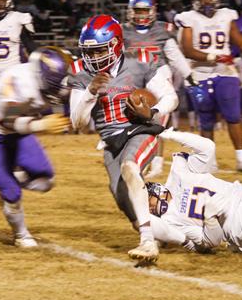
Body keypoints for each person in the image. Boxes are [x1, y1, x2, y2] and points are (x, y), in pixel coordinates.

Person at [69, 14, 178, 262]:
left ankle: (148, 242)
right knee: (120, 193)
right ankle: (173, 231)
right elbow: (77, 122)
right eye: (90, 52)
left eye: (99, 51)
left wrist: (152, 112)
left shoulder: (140, 62)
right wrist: (90, 91)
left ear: (116, 45)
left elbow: (171, 97)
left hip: (141, 129)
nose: (94, 58)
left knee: (130, 167)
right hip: (111, 139)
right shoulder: (81, 72)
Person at [0, 47, 71, 247]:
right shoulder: (19, 82)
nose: (59, 88)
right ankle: (21, 234)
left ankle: (13, 177)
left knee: (46, 181)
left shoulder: (48, 78)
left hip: (19, 129)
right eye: (55, 83)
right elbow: (7, 121)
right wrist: (41, 125)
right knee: (11, 194)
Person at [174, 0, 242, 175]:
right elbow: (187, 49)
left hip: (225, 73)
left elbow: (240, 40)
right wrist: (213, 57)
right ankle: (209, 162)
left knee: (233, 117)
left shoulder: (226, 15)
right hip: (199, 74)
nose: (208, 1)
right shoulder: (187, 18)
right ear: (195, 1)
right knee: (206, 120)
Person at [122, 0, 192, 178]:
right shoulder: (123, 31)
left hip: (158, 77)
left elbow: (174, 56)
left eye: (145, 11)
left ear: (153, 11)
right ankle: (137, 157)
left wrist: (188, 75)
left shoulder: (162, 30)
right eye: (137, 11)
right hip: (134, 80)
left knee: (155, 121)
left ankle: (157, 162)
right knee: (132, 121)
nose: (141, 15)